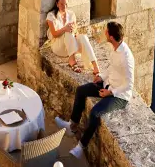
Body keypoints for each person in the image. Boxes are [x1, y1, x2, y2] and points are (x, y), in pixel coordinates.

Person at [55, 21, 134, 158]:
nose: (105, 32)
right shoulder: (115, 49)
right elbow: (111, 67)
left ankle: (81, 147)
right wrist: (101, 76)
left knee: (95, 113)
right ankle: (72, 126)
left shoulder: (126, 57)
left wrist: (110, 92)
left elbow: (129, 85)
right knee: (81, 90)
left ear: (110, 36)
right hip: (108, 85)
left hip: (119, 95)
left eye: (106, 31)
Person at [46, 0, 100, 75]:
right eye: (61, 4)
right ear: (57, 4)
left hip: (71, 47)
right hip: (59, 47)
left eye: (66, 4)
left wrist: (74, 31)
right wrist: (65, 29)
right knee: (68, 31)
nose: (64, 7)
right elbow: (54, 34)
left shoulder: (71, 14)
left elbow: (76, 33)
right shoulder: (51, 16)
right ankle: (72, 61)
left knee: (83, 37)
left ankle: (95, 65)